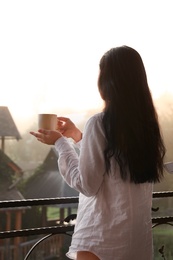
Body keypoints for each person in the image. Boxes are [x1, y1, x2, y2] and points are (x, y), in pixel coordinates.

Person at [30, 45, 166, 260]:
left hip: (101, 239)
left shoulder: (99, 123)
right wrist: (78, 136)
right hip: (136, 240)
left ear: (108, 80)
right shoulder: (146, 127)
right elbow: (112, 163)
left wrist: (60, 143)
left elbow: (87, 184)